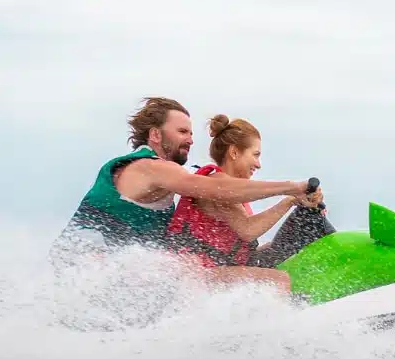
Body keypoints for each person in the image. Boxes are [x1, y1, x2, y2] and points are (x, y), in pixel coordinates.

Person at [63, 97, 317, 251]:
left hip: (111, 278)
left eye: (191, 133)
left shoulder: (163, 178)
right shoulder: (148, 167)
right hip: (83, 273)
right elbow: (214, 189)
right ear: (155, 135)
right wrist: (292, 188)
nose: (191, 140)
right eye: (183, 132)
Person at [165, 114, 333, 292]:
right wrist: (291, 199)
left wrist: (304, 210)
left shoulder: (236, 192)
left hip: (221, 268)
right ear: (235, 152)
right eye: (255, 155)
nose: (258, 164)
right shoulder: (218, 186)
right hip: (197, 275)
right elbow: (248, 230)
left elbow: (242, 246)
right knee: (278, 280)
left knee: (308, 223)